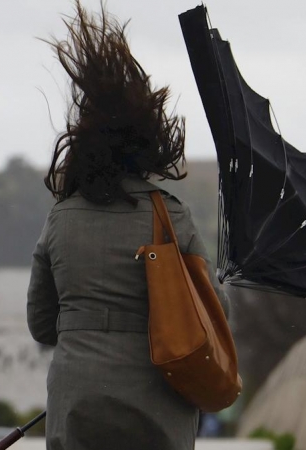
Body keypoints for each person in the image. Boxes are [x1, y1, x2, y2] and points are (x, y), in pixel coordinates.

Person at [26, 3, 229, 449]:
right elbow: (213, 315)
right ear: (148, 144)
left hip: (79, 397)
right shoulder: (170, 215)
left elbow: (41, 324)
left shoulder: (60, 218)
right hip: (157, 403)